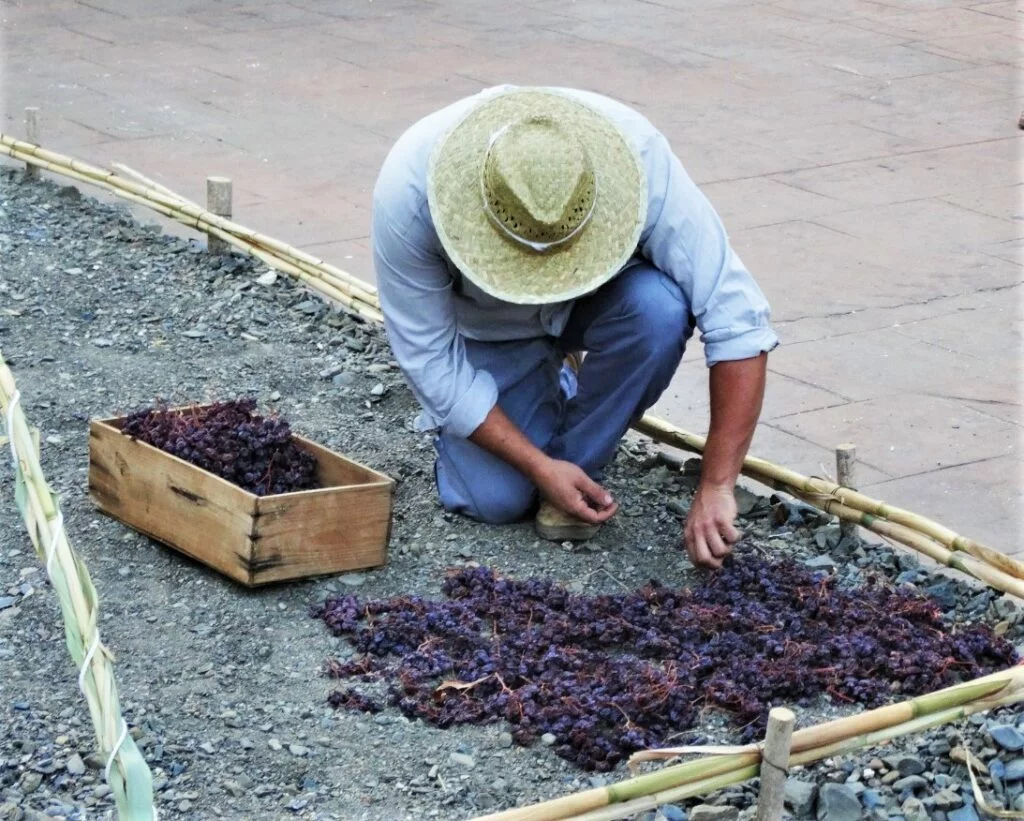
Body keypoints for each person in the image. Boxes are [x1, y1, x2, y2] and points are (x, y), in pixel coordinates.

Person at [371, 85, 778, 570]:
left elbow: (738, 318)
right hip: (492, 330)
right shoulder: (411, 195)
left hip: (599, 301)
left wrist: (716, 485)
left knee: (660, 310)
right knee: (494, 501)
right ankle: (547, 410)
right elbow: (433, 364)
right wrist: (538, 467)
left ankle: (578, 456)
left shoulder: (637, 157)